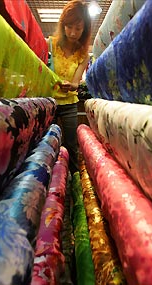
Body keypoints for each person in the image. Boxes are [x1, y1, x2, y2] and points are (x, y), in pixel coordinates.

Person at [47, 0, 91, 175]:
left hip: (70, 104)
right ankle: (49, 178)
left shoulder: (83, 55)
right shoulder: (51, 44)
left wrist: (72, 85)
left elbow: (76, 82)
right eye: (69, 26)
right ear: (63, 25)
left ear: (84, 29)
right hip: (49, 101)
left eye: (78, 28)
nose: (73, 32)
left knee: (71, 144)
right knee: (47, 143)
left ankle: (73, 182)